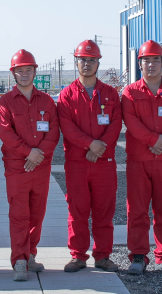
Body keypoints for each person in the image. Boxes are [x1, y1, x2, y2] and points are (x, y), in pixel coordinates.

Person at [55, 40, 123, 272]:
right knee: (78, 211)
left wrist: (100, 147)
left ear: (98, 63)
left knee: (104, 210)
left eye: (91, 60)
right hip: (77, 163)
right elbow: (67, 126)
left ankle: (103, 256)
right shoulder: (67, 95)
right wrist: (90, 145)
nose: (87, 64)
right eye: (83, 60)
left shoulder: (110, 94)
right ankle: (78, 256)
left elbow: (116, 123)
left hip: (104, 162)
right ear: (76, 62)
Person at [121, 41, 162, 275]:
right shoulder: (130, 92)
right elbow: (131, 122)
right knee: (137, 210)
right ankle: (138, 256)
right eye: (146, 60)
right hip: (138, 160)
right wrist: (153, 141)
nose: (151, 65)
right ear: (139, 64)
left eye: (155, 60)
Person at [0, 49, 61, 282]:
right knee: (19, 215)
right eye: (20, 71)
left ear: (35, 72)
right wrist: (28, 153)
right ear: (13, 73)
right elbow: (6, 133)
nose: (24, 74)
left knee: (37, 214)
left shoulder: (46, 101)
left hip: (40, 166)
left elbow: (54, 131)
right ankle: (19, 261)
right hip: (17, 167)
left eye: (28, 70)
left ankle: (30, 254)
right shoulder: (5, 102)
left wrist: (39, 155)